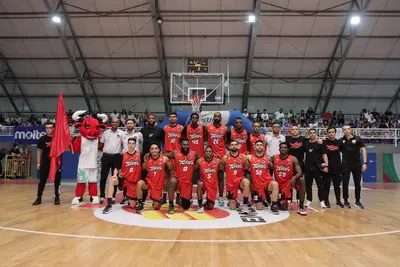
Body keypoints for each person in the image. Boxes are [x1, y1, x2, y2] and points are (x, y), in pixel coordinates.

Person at [102, 138, 141, 214]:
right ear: (127, 144)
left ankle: (129, 198)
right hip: (125, 181)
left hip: (135, 183)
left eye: (133, 143)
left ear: (135, 145)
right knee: (112, 180)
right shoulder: (122, 156)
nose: (131, 145)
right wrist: (115, 175)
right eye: (129, 143)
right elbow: (116, 167)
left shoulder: (140, 155)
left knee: (132, 206)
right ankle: (109, 205)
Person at [163, 138, 199, 214]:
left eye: (187, 144)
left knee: (185, 206)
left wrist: (195, 168)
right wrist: (167, 163)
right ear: (180, 145)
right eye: (183, 144)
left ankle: (180, 198)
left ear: (189, 145)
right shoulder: (175, 153)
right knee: (172, 181)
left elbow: (200, 161)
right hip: (177, 179)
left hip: (187, 183)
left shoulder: (194, 154)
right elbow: (164, 156)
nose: (185, 146)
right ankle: (171, 205)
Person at [270, 142, 307, 216]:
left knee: (302, 180)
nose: (283, 149)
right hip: (279, 185)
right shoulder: (274, 157)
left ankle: (301, 206)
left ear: (288, 149)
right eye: (281, 147)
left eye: (285, 147)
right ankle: (277, 200)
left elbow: (300, 172)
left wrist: (294, 177)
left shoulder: (293, 159)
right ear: (279, 149)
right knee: (283, 208)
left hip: (289, 182)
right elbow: (267, 160)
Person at [245, 140, 279, 214]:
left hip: (267, 183)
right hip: (257, 186)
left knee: (275, 184)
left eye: (261, 145)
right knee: (259, 208)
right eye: (257, 145)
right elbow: (245, 169)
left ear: (263, 147)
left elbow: (273, 169)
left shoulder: (268, 158)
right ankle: (264, 199)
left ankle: (274, 205)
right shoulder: (249, 158)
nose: (259, 146)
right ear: (254, 147)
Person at [32, 123, 62, 206]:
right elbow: (39, 150)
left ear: (54, 128)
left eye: (50, 128)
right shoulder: (42, 139)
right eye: (46, 128)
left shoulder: (58, 139)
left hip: (56, 163)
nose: (48, 129)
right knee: (42, 181)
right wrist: (38, 162)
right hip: (45, 162)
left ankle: (57, 197)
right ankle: (39, 198)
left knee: (57, 181)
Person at [219, 140, 251, 214]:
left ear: (238, 146)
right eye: (232, 144)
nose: (234, 146)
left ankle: (245, 205)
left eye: (235, 144)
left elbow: (246, 168)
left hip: (240, 180)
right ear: (229, 147)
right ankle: (235, 201)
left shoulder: (243, 157)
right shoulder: (225, 157)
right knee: (233, 207)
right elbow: (221, 167)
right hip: (230, 184)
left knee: (246, 182)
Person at [136, 143, 169, 212]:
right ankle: (140, 204)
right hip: (149, 182)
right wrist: (145, 161)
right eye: (152, 149)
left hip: (158, 184)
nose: (154, 150)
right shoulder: (147, 159)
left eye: (156, 148)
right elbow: (143, 168)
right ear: (150, 150)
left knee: (157, 207)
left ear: (159, 150)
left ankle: (156, 200)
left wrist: (168, 162)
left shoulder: (164, 159)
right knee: (140, 183)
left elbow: (171, 168)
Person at [340, 125, 367, 209]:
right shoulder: (341, 141)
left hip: (356, 164)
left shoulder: (358, 139)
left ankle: (358, 201)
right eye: (344, 129)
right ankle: (345, 201)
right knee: (345, 183)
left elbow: (363, 150)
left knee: (357, 183)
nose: (346, 131)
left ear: (350, 130)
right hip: (345, 164)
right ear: (342, 131)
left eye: (348, 129)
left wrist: (365, 163)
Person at [99, 117, 124, 203]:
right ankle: (102, 195)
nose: (114, 123)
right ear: (110, 123)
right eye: (113, 122)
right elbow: (100, 145)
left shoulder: (122, 133)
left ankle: (113, 196)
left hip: (116, 157)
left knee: (115, 177)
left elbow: (124, 146)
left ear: (119, 123)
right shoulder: (105, 133)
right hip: (106, 157)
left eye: (116, 122)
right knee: (103, 177)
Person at [207, 112, 229, 206]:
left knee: (220, 177)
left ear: (221, 118)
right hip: (211, 155)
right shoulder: (208, 127)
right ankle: (209, 197)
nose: (216, 118)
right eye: (215, 116)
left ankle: (220, 197)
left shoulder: (225, 128)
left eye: (218, 116)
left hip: (221, 155)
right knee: (210, 177)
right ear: (213, 118)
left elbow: (226, 141)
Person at [304, 129, 329, 208]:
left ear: (316, 134)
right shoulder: (306, 143)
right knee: (308, 185)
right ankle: (309, 200)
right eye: (310, 133)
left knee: (320, 185)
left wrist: (326, 166)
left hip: (317, 168)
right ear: (308, 134)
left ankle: (322, 201)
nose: (312, 134)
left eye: (314, 133)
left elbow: (324, 155)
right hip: (307, 167)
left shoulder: (320, 143)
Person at [120, 119, 143, 204]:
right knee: (125, 177)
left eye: (131, 123)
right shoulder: (122, 134)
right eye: (128, 123)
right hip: (125, 158)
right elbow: (121, 145)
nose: (129, 124)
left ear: (134, 124)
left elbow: (141, 145)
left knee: (136, 177)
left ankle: (137, 196)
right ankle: (125, 196)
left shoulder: (138, 134)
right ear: (125, 124)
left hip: (136, 157)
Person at [163, 112, 184, 203]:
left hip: (177, 154)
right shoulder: (165, 128)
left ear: (176, 118)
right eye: (170, 117)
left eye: (174, 117)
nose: (172, 118)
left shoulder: (181, 128)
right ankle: (164, 196)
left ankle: (178, 196)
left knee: (178, 176)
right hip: (167, 154)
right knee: (166, 176)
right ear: (169, 119)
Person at [323, 127, 344, 208]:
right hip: (327, 167)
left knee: (337, 186)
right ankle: (326, 201)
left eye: (332, 132)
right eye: (329, 132)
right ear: (327, 133)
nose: (331, 133)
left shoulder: (339, 142)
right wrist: (324, 166)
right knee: (326, 186)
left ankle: (338, 201)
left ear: (335, 133)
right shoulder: (324, 142)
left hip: (337, 167)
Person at [196, 146, 219, 213]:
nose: (208, 153)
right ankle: (200, 205)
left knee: (211, 207)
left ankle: (208, 201)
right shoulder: (199, 161)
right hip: (204, 182)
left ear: (212, 153)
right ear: (204, 153)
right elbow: (193, 170)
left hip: (212, 185)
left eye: (210, 151)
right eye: (206, 151)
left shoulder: (217, 161)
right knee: (200, 184)